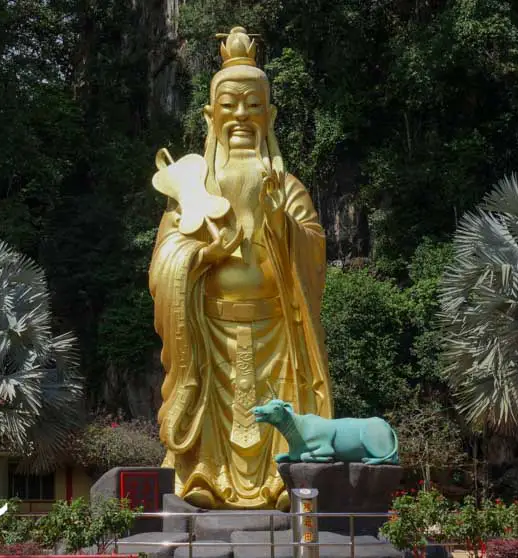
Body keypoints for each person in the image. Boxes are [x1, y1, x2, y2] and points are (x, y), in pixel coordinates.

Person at [148, 26, 333, 510]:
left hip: (276, 330)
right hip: (209, 331)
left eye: (253, 105)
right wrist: (201, 255)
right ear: (211, 115)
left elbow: (313, 248)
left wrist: (279, 223)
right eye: (229, 105)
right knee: (210, 409)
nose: (241, 116)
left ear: (269, 115)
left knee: (282, 410)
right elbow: (165, 258)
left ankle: (279, 482)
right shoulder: (193, 185)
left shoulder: (287, 185)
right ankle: (203, 477)